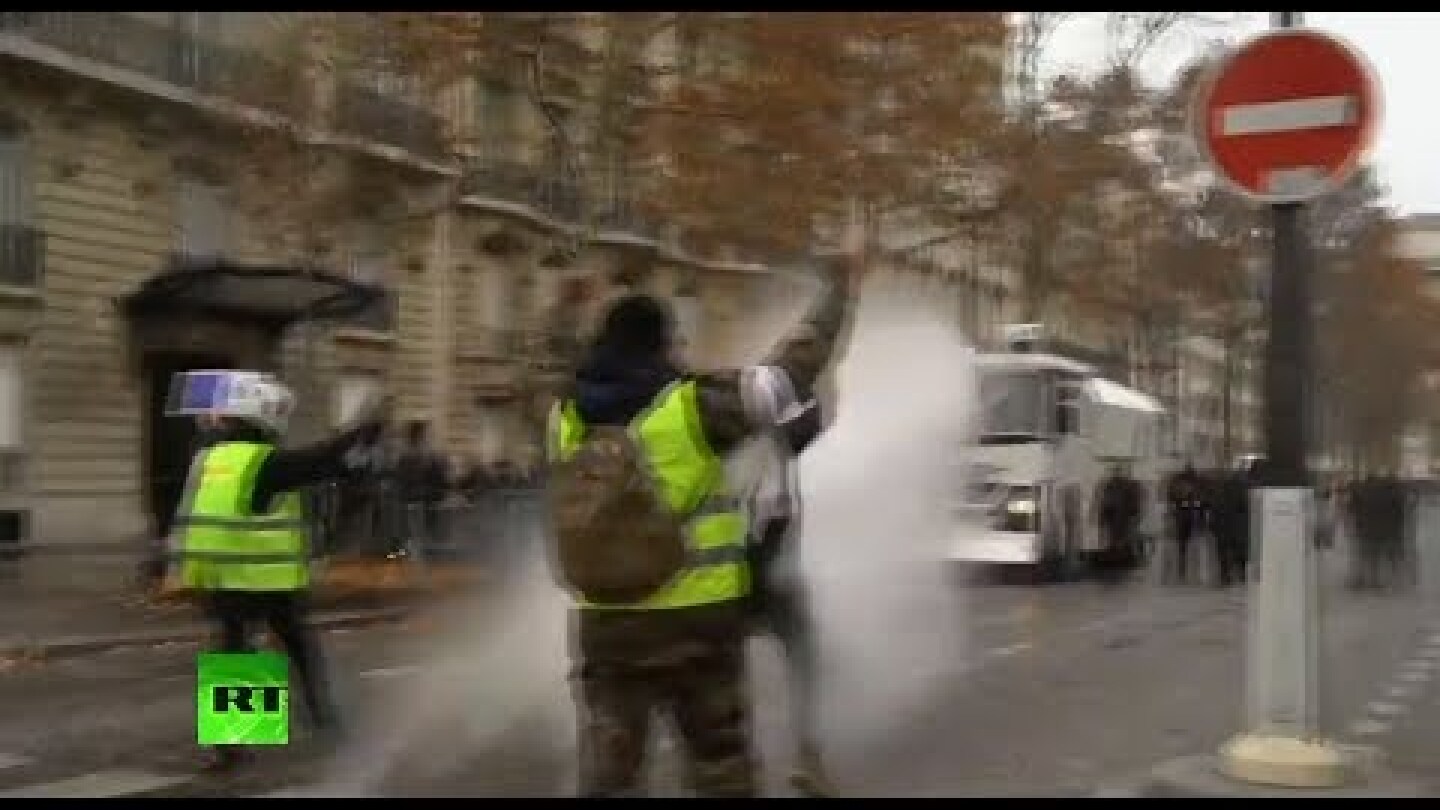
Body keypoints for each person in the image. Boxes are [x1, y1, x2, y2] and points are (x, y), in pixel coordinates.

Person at [541, 245, 862, 798]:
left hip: (605, 629)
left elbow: (553, 369)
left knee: (609, 776)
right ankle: (807, 759)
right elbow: (792, 373)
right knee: (721, 767)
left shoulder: (564, 418)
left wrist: (565, 310)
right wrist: (840, 293)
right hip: (697, 626)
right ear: (662, 345)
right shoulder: (693, 407)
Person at [163, 370, 389, 771]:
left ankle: (235, 749)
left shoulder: (212, 459)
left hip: (224, 578)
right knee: (296, 645)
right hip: (268, 580)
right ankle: (323, 717)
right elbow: (322, 460)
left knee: (236, 651)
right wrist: (362, 431)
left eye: (224, 417)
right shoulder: (264, 462)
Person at [738, 361, 832, 796]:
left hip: (729, 567)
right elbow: (805, 429)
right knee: (804, 652)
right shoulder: (769, 446)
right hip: (758, 564)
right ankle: (806, 756)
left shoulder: (734, 434)